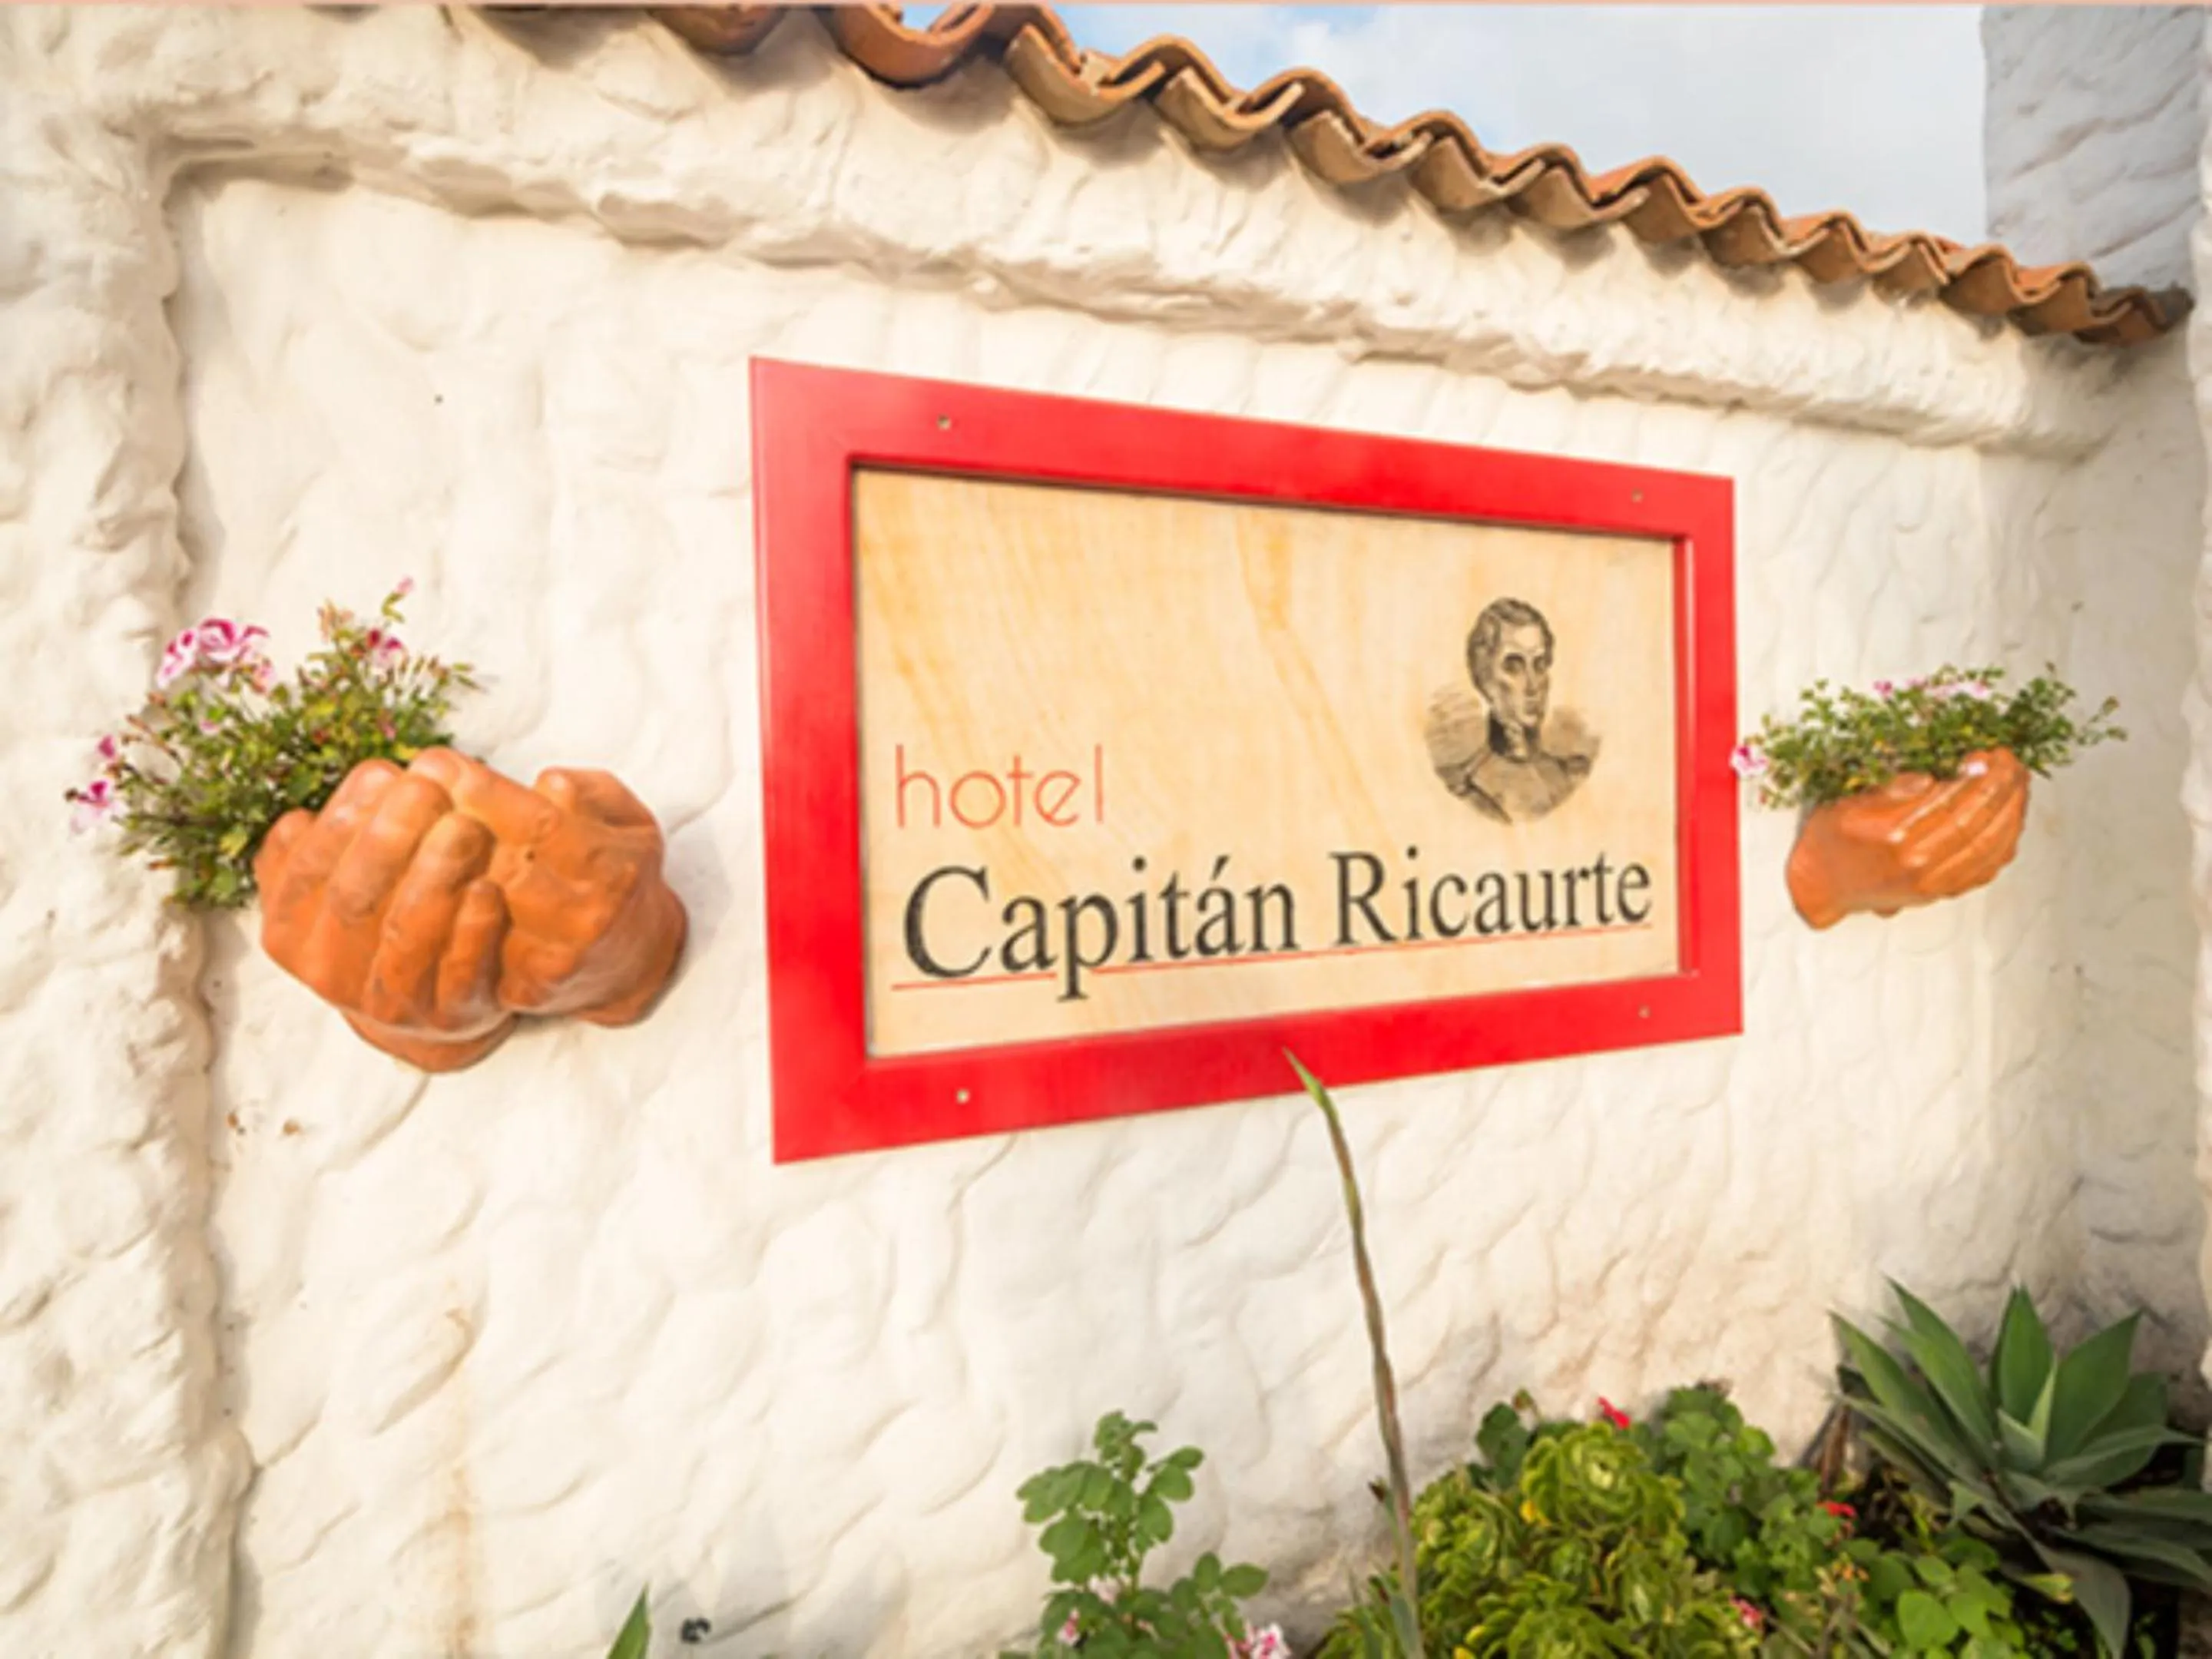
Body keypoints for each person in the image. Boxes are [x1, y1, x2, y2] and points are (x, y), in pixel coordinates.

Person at [1443, 597, 1589, 823]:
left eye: (1540, 665)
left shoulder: (1571, 778)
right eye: (1513, 666)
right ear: (1484, 679)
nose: (1533, 685)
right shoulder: (1470, 789)